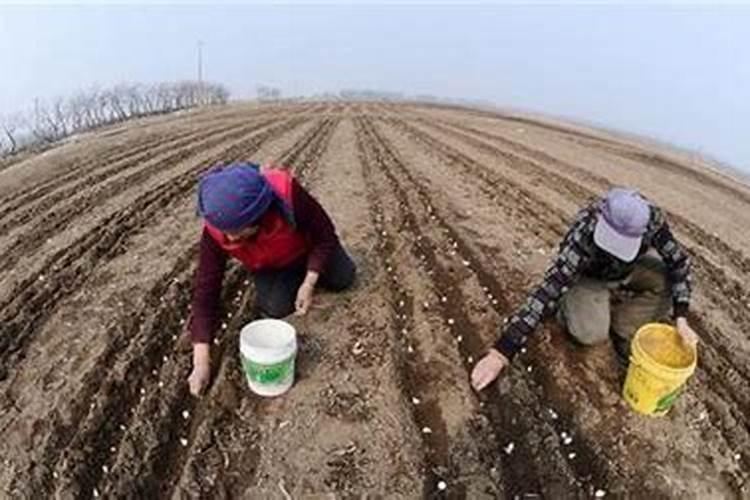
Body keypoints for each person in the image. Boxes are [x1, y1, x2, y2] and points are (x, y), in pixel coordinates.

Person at [471, 187, 698, 391]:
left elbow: (679, 263)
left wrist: (681, 317)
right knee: (589, 333)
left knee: (668, 281)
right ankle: (570, 303)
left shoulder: (653, 222)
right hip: (591, 277)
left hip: (629, 268)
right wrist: (501, 353)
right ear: (601, 219)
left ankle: (624, 326)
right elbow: (549, 289)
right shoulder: (584, 233)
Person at [187, 162, 356, 396]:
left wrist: (309, 281)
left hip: (308, 247)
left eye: (237, 230)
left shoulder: (289, 196)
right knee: (276, 307)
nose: (229, 237)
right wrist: (201, 363)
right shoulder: (218, 226)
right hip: (273, 264)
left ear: (260, 213)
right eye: (224, 230)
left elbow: (325, 235)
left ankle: (310, 272)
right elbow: (206, 289)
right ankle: (295, 277)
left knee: (343, 278)